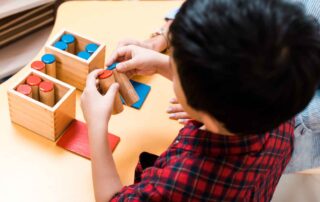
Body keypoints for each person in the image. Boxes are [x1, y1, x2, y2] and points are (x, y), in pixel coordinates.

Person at [80, 0, 320, 201]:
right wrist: (161, 63)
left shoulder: (183, 181)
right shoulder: (278, 111)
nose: (169, 63)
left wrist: (97, 126)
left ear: (202, 104)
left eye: (174, 63)